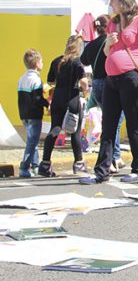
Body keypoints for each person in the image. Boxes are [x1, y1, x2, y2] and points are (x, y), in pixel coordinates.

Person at [79, 0, 138, 184]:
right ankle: (101, 172)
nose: (110, 3)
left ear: (123, 0)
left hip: (131, 77)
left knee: (133, 124)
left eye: (112, 0)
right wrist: (107, 44)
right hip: (110, 79)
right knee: (108, 125)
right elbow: (106, 53)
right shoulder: (113, 22)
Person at [80, 15, 126, 172]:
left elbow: (84, 61)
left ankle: (115, 157)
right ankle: (114, 158)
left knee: (110, 121)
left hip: (97, 83)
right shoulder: (112, 41)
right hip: (110, 81)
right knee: (115, 122)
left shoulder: (92, 44)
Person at [39, 35, 87, 177]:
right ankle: (78, 164)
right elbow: (84, 82)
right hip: (72, 99)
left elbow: (51, 81)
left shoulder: (56, 61)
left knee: (55, 128)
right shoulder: (77, 62)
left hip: (58, 99)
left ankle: (45, 164)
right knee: (75, 132)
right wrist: (85, 90)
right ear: (79, 47)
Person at [17, 49, 49, 178]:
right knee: (32, 143)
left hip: (24, 115)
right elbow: (38, 98)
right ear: (36, 63)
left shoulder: (22, 78)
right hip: (34, 115)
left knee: (33, 141)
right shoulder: (36, 80)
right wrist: (48, 104)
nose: (42, 63)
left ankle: (35, 166)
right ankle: (24, 167)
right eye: (41, 61)